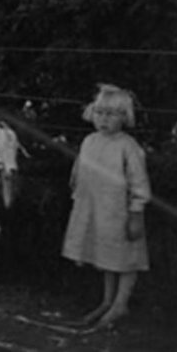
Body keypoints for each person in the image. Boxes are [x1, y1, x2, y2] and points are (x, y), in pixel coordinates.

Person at [62, 84, 151, 329]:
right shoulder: (89, 141)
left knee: (126, 257)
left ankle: (121, 304)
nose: (103, 119)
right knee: (106, 256)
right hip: (95, 209)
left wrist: (136, 212)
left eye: (111, 114)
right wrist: (78, 197)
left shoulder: (128, 146)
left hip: (119, 212)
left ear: (124, 117)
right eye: (99, 113)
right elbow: (78, 172)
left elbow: (138, 181)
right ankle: (107, 301)